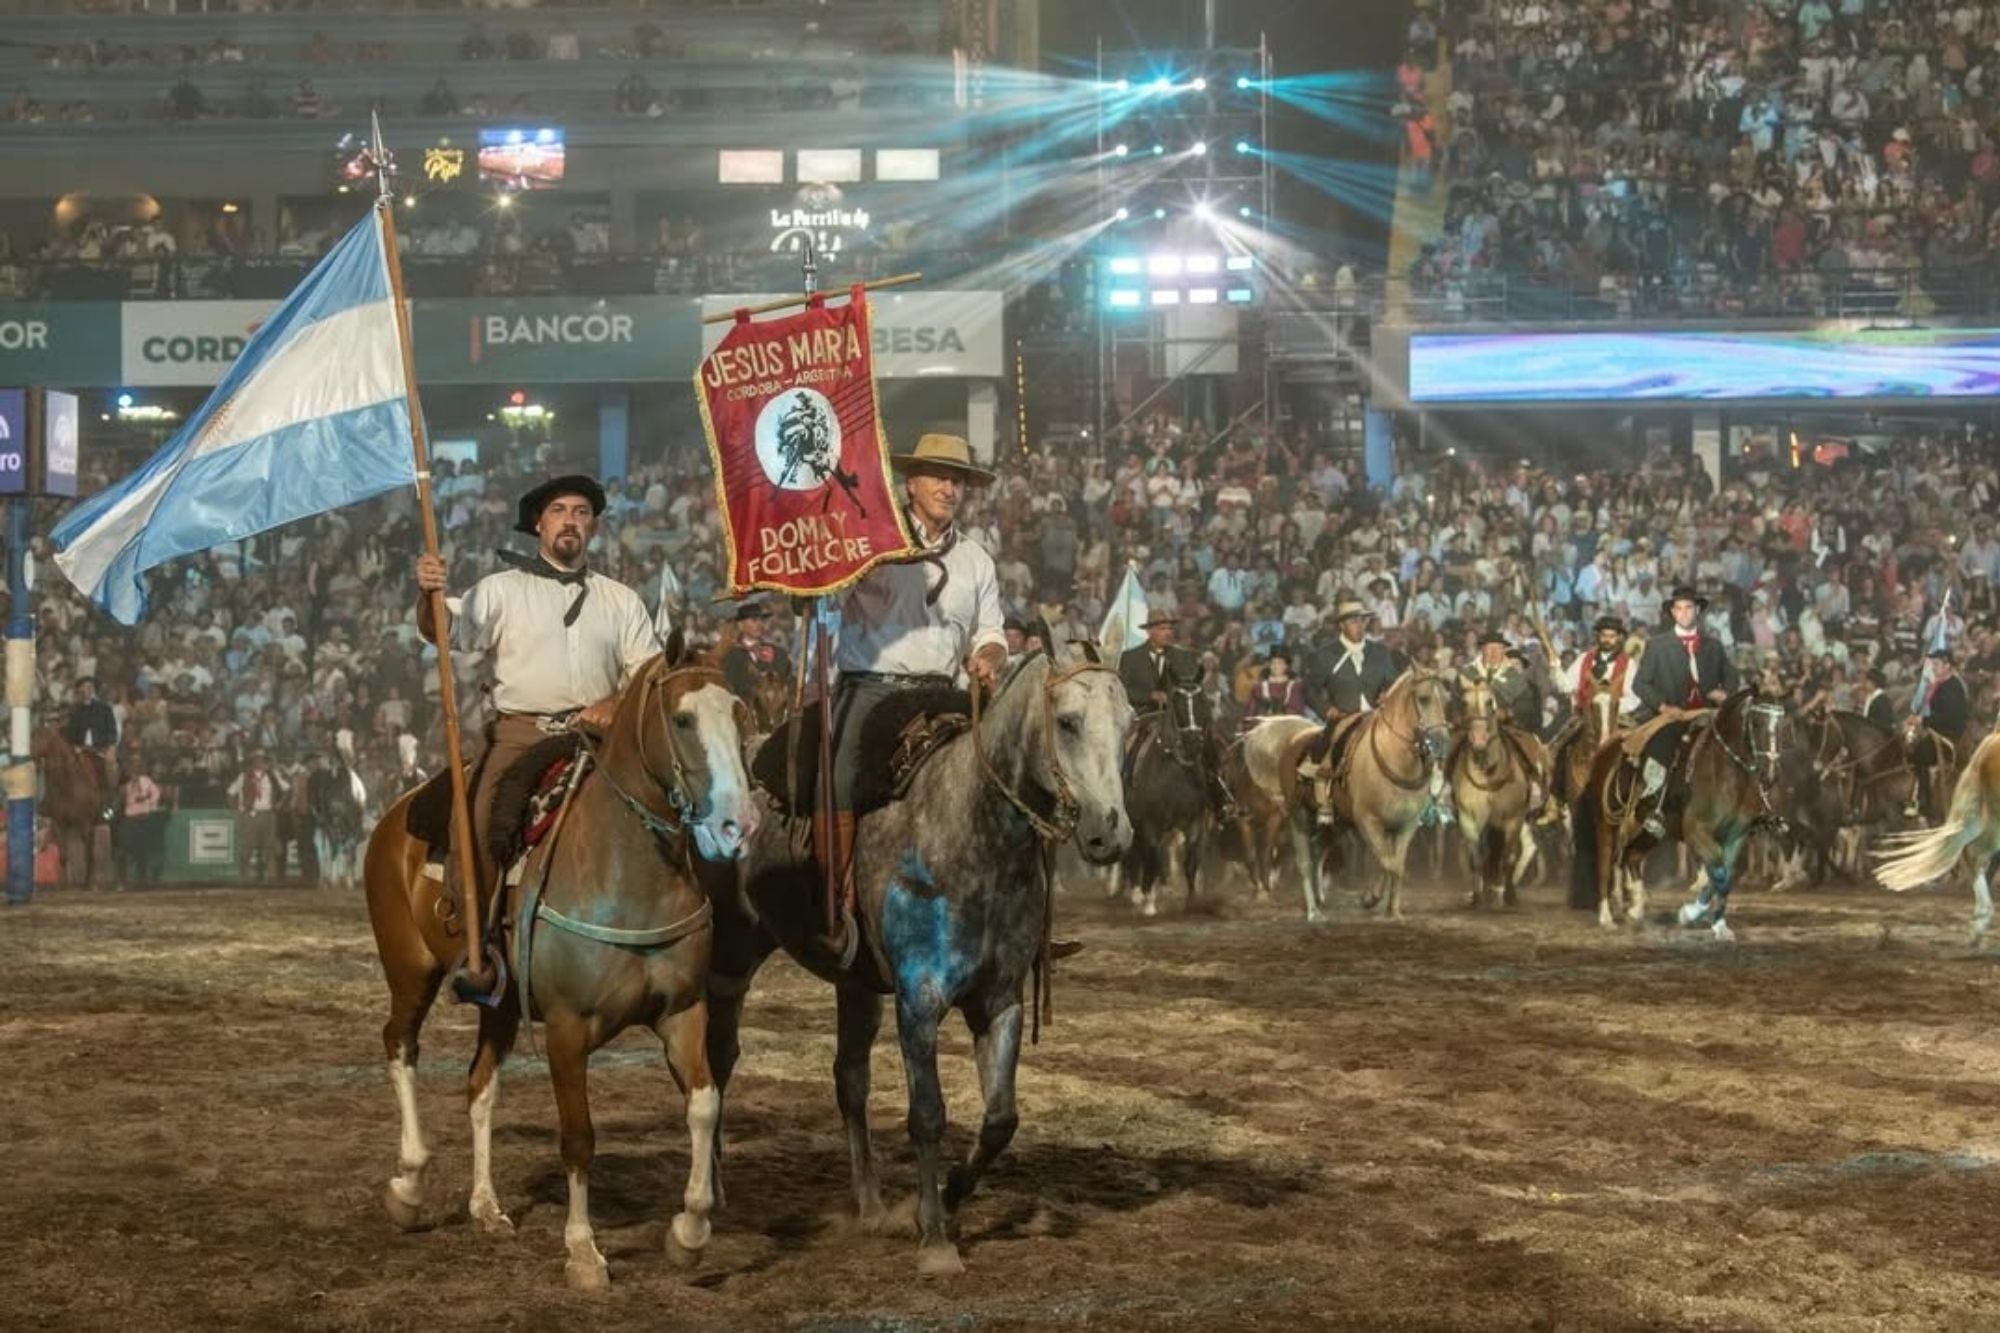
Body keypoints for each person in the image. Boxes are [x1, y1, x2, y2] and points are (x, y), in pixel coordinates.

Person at [414, 474, 657, 996]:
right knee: (479, 821)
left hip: (601, 738)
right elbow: (445, 632)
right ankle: (477, 949)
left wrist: (616, 703)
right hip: (523, 733)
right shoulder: (498, 590)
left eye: (582, 512)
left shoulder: (622, 601)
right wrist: (428, 592)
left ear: (592, 526)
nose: (571, 520)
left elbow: (648, 672)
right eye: (560, 511)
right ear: (539, 525)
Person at [830, 434, 1008, 953]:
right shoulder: (868, 540)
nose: (948, 488)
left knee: (1012, 772)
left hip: (944, 692)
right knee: (840, 778)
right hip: (873, 687)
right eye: (937, 476)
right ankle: (837, 901)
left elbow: (991, 631)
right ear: (911, 483)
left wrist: (990, 657)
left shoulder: (977, 559)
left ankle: (1019, 906)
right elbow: (829, 595)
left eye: (957, 480)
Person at [1629, 586, 1739, 831]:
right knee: (1662, 749)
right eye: (1678, 609)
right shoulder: (1657, 646)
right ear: (1672, 613)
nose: (1684, 613)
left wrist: (1725, 693)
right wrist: (1663, 706)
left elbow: (1731, 675)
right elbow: (1640, 683)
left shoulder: (1712, 646)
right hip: (1672, 716)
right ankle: (1655, 806)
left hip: (1707, 714)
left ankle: (1743, 805)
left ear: (1697, 610)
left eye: (1689, 608)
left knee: (1739, 746)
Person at [1303, 599, 1399, 719]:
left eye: (1363, 621)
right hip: (1343, 720)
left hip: (1377, 720)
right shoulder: (1325, 655)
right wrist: (1326, 710)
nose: (1360, 626)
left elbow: (1394, 683)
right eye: (1353, 621)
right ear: (1342, 625)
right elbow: (1309, 689)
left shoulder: (1380, 652)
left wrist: (1387, 693)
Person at [1459, 631, 1541, 733]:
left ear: (1503, 651)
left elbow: (1526, 706)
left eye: (1498, 648)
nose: (1494, 652)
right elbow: (1455, 703)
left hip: (1508, 728)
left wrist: (1507, 713)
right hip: (1472, 728)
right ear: (1482, 650)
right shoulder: (1468, 674)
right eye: (1489, 648)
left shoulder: (1515, 678)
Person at [1567, 615, 1640, 725]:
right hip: (1585, 716)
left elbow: (1633, 697)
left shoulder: (1629, 663)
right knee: (1563, 738)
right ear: (1598, 636)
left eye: (1612, 636)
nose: (1607, 640)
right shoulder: (1584, 658)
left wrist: (1609, 708)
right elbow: (1569, 684)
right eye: (1604, 635)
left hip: (1616, 716)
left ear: (1619, 637)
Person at [1118, 610, 1198, 710]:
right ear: (1149, 631)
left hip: (1176, 718)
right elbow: (1121, 691)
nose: (1168, 633)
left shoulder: (1183, 657)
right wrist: (1149, 696)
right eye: (1162, 629)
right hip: (1141, 717)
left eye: (1170, 629)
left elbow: (1191, 688)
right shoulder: (1130, 657)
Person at [721, 598, 792, 709]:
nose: (759, 624)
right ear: (740, 625)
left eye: (761, 620)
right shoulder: (730, 655)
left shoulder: (778, 654)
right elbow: (729, 689)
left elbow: (788, 682)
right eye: (754, 620)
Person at [228, 749, 286, 882]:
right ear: (252, 762)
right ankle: (244, 875)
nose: (260, 763)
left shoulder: (273, 776)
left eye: (262, 760)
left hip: (268, 813)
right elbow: (231, 792)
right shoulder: (243, 776)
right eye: (257, 760)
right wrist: (236, 809)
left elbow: (286, 789)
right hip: (250, 813)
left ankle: (271, 875)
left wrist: (280, 804)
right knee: (247, 846)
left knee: (270, 846)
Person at [117, 754, 167, 889]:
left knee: (143, 850)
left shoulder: (146, 781)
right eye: (131, 765)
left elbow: (156, 794)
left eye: (136, 765)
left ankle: (143, 880)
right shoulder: (125, 785)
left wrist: (147, 801)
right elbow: (121, 802)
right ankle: (122, 879)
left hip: (144, 818)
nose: (134, 768)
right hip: (130, 819)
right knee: (123, 848)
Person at [1242, 648, 1306, 729]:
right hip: (1263, 728)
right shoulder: (1259, 687)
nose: (1275, 666)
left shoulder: (1294, 686)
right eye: (1273, 663)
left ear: (1286, 666)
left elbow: (1296, 709)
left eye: (1279, 663)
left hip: (1287, 728)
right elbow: (1250, 711)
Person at [1861, 667, 1896, 731]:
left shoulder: (1882, 701)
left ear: (1873, 682)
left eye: (1866, 681)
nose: (1864, 683)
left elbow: (1884, 724)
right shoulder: (1870, 697)